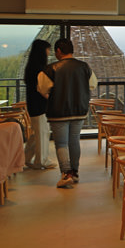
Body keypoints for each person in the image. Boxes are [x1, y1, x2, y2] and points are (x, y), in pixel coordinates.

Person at [37, 38, 98, 188]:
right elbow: (92, 85)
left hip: (58, 111)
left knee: (61, 143)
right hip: (79, 110)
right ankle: (75, 172)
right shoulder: (84, 67)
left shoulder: (50, 69)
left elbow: (42, 88)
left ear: (58, 51)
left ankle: (66, 174)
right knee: (74, 140)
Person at [23, 39, 55, 170]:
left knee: (37, 134)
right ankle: (41, 161)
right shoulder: (39, 69)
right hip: (40, 105)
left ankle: (25, 159)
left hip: (33, 104)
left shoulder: (31, 67)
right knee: (42, 132)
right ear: (42, 51)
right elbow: (41, 89)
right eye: (48, 49)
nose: (49, 52)